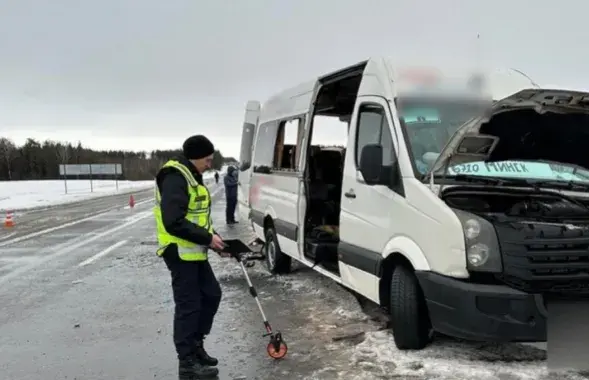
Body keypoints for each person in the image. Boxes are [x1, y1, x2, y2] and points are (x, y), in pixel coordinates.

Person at [153, 134, 230, 379]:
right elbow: (173, 221)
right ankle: (186, 361)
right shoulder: (175, 177)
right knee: (189, 306)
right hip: (178, 251)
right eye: (207, 160)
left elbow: (198, 217)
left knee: (212, 295)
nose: (210, 164)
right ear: (195, 158)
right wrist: (207, 239)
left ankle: (196, 345)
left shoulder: (192, 175)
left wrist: (215, 239)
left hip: (194, 249)